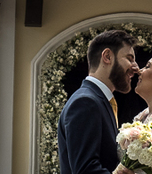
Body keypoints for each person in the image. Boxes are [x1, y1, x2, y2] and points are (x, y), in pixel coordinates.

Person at [58, 29, 139, 174]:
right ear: (107, 56)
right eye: (129, 58)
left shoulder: (99, 100)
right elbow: (85, 170)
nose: (135, 68)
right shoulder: (85, 102)